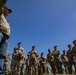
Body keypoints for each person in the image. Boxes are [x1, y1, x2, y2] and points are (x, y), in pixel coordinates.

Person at [0, 0, 12, 74]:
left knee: (2, 55)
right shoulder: (0, 13)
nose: (9, 12)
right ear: (3, 9)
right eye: (8, 10)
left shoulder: (6, 20)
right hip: (0, 33)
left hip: (6, 37)